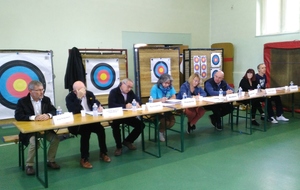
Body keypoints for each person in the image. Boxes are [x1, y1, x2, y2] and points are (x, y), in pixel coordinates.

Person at [15, 80, 60, 175]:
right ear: (31, 91)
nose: (41, 92)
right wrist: (34, 117)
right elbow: (18, 116)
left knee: (55, 139)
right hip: (30, 131)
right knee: (35, 143)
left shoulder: (46, 99)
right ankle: (29, 165)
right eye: (38, 90)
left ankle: (50, 160)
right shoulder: (22, 101)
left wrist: (48, 115)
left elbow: (53, 110)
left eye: (42, 89)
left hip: (45, 129)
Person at [66, 81, 111, 169]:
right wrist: (78, 98)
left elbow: (96, 103)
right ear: (75, 91)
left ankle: (103, 152)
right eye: (80, 90)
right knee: (86, 133)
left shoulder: (89, 94)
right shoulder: (70, 97)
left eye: (84, 89)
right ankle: (84, 158)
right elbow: (73, 110)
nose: (83, 91)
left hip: (91, 121)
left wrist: (100, 107)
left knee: (101, 130)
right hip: (78, 124)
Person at [108, 78, 145, 156]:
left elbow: (138, 100)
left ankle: (128, 141)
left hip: (128, 116)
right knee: (115, 127)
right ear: (122, 84)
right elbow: (111, 105)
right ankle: (118, 147)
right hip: (117, 116)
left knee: (141, 125)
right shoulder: (114, 92)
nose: (129, 89)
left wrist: (138, 103)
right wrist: (124, 106)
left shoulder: (130, 92)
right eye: (128, 86)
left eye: (131, 87)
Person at [150, 73, 176, 141]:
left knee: (172, 121)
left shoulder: (170, 87)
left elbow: (174, 96)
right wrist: (160, 100)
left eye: (169, 83)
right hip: (157, 109)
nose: (167, 85)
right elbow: (152, 100)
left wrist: (168, 100)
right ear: (161, 81)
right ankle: (161, 132)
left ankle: (161, 130)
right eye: (165, 83)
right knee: (166, 122)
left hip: (166, 108)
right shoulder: (155, 87)